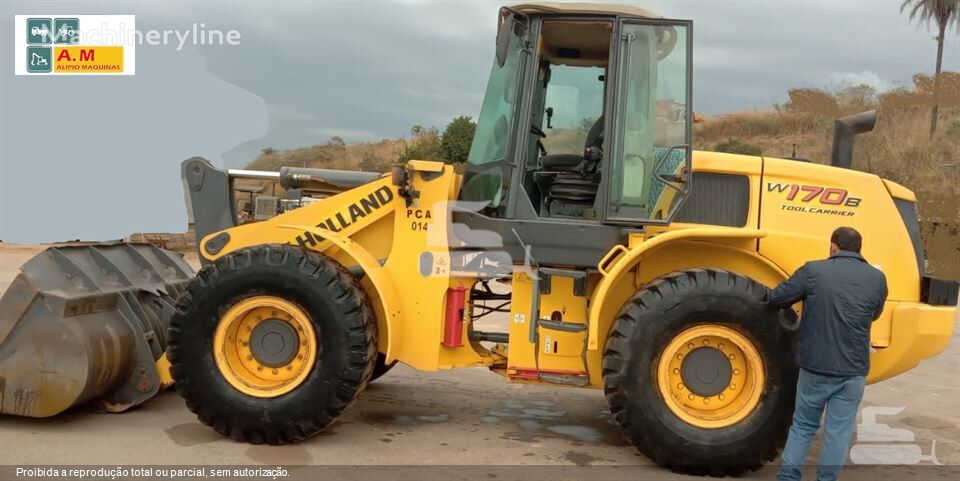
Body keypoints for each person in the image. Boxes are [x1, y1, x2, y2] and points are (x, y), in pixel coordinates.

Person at [769, 227, 888, 481]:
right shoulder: (877, 278)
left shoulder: (813, 270)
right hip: (853, 371)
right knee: (838, 432)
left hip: (815, 367)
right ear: (859, 248)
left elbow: (777, 297)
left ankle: (788, 477)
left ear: (833, 246)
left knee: (803, 425)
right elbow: (874, 314)